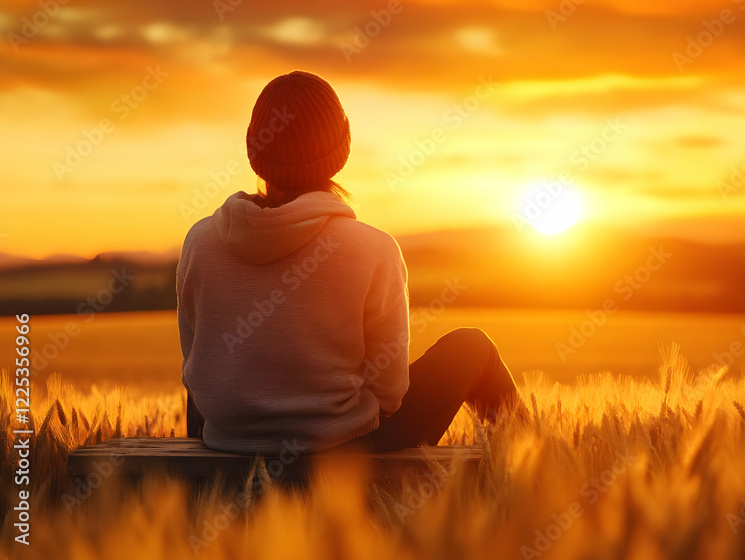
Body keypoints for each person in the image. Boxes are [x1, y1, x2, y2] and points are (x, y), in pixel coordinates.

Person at [177, 70, 525, 454]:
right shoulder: (373, 249)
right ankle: (540, 468)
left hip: (227, 442)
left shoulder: (199, 241)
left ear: (253, 149)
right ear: (342, 148)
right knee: (472, 346)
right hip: (342, 449)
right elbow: (391, 393)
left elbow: (195, 364)